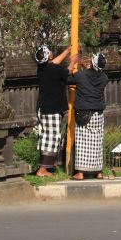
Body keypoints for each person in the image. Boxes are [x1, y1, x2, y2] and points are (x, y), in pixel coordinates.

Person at [67, 51, 109, 180]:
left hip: (84, 112)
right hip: (98, 114)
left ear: (92, 62)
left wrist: (73, 63)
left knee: (83, 142)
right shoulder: (104, 78)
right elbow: (93, 78)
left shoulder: (81, 75)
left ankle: (80, 172)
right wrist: (88, 68)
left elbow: (68, 79)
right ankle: (98, 172)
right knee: (97, 142)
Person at [35, 45, 71, 176]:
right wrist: (73, 61)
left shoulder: (42, 68)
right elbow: (68, 72)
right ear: (49, 56)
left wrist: (67, 51)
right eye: (50, 52)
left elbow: (54, 63)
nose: (51, 52)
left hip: (43, 108)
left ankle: (47, 164)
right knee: (53, 138)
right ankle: (43, 169)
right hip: (52, 109)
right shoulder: (55, 70)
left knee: (45, 136)